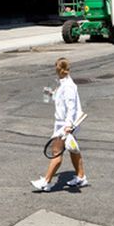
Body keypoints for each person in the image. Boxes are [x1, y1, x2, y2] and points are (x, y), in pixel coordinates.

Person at [32, 57, 87, 192]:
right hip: (64, 123)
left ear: (58, 70)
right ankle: (81, 176)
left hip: (65, 124)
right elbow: (60, 100)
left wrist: (68, 126)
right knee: (73, 150)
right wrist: (51, 94)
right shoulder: (64, 83)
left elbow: (71, 107)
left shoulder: (68, 86)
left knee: (56, 152)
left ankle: (46, 181)